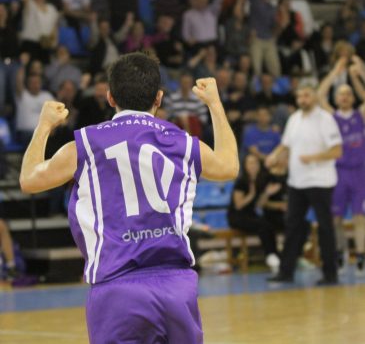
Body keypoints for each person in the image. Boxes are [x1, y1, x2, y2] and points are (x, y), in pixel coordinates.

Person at [19, 52, 239, 343]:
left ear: (110, 98)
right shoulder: (183, 142)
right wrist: (215, 104)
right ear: (158, 98)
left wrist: (44, 126)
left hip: (117, 290)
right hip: (176, 287)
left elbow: (29, 180)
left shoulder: (85, 144)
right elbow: (229, 165)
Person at [266, 84, 342, 285]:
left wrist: (313, 157)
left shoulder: (325, 119)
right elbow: (286, 144)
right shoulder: (294, 119)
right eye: (299, 95)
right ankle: (286, 271)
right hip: (296, 181)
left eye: (306, 95)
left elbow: (336, 151)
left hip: (320, 181)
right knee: (292, 227)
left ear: (315, 97)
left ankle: (330, 273)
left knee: (325, 227)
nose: (302, 99)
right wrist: (274, 156)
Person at [318, 56, 365, 275]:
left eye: (348, 93)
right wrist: (335, 73)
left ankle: (361, 257)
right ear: (336, 99)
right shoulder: (331, 116)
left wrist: (359, 75)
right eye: (341, 93)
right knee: (335, 218)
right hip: (338, 172)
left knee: (359, 217)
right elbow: (318, 96)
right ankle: (339, 253)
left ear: (352, 97)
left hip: (360, 173)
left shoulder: (360, 115)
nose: (345, 97)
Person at [227, 153, 282, 272]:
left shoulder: (261, 180)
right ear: (245, 165)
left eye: (255, 163)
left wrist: (267, 193)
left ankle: (274, 255)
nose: (252, 166)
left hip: (251, 215)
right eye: (249, 163)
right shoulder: (241, 181)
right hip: (237, 217)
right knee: (263, 225)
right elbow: (238, 205)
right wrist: (251, 195)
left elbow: (259, 205)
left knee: (268, 224)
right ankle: (271, 255)